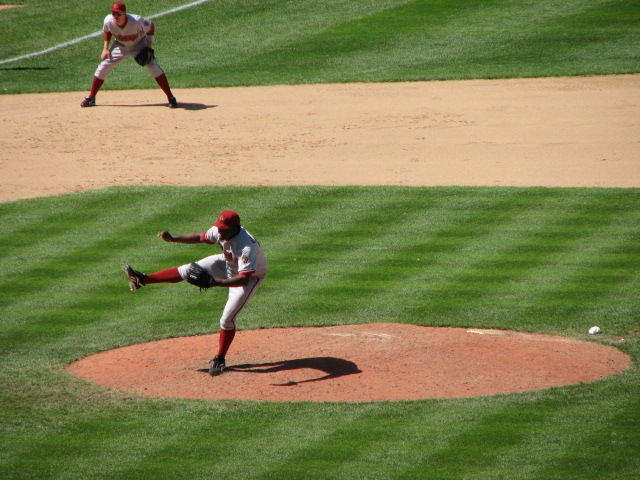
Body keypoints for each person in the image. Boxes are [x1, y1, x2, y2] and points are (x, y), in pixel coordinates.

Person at [124, 210, 268, 376]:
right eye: (219, 228)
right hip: (228, 263)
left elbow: (243, 279)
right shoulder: (221, 231)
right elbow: (200, 237)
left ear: (235, 228)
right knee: (188, 270)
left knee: (227, 320)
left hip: (250, 277)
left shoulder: (247, 247)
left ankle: (220, 359)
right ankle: (142, 280)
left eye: (223, 229)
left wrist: (214, 282)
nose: (219, 232)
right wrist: (173, 239)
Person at [81, 2, 177, 108]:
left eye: (119, 14)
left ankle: (170, 97)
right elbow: (107, 31)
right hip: (120, 46)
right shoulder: (108, 21)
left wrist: (148, 48)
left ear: (125, 13)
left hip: (139, 44)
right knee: (103, 67)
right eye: (113, 13)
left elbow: (151, 27)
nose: (115, 16)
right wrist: (105, 48)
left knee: (154, 67)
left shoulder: (137, 21)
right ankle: (91, 98)